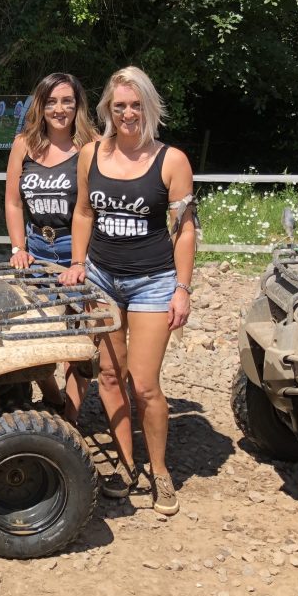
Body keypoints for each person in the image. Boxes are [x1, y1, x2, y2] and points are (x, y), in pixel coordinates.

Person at [59, 66, 196, 516]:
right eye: (119, 106)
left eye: (136, 105)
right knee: (110, 376)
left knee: (145, 384)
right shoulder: (91, 155)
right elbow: (82, 212)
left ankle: (160, 470)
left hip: (153, 282)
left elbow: (186, 229)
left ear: (149, 108)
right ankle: (126, 464)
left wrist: (182, 288)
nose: (127, 113)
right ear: (107, 109)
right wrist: (78, 263)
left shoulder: (171, 160)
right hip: (101, 277)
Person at [4, 73, 98, 420]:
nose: (60, 109)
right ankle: (55, 399)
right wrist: (18, 247)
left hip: (78, 250)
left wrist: (83, 259)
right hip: (35, 249)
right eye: (52, 101)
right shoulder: (23, 145)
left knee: (79, 337)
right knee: (36, 337)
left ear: (78, 106)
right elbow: (13, 202)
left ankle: (70, 418)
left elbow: (94, 206)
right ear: (40, 106)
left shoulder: (92, 146)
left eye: (67, 101)